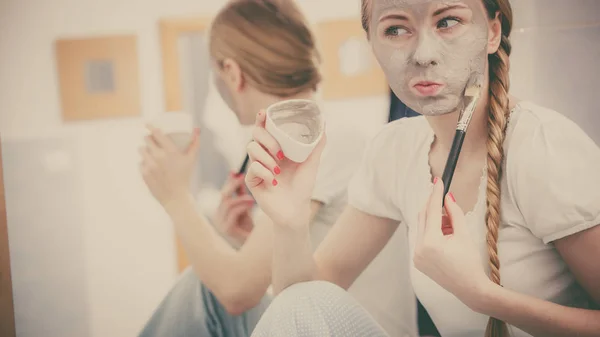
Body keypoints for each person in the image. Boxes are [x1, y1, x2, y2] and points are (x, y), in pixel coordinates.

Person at [245, 0, 600, 336]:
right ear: (373, 47)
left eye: (447, 22)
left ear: (493, 33)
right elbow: (303, 305)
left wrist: (480, 295)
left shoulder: (543, 147)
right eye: (396, 30)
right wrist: (289, 222)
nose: (423, 55)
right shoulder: (395, 151)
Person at [137, 1, 416, 336]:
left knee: (203, 289)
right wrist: (234, 239)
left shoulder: (318, 138)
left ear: (232, 73)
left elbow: (237, 292)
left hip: (350, 329)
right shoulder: (317, 132)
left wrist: (174, 197)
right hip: (321, 322)